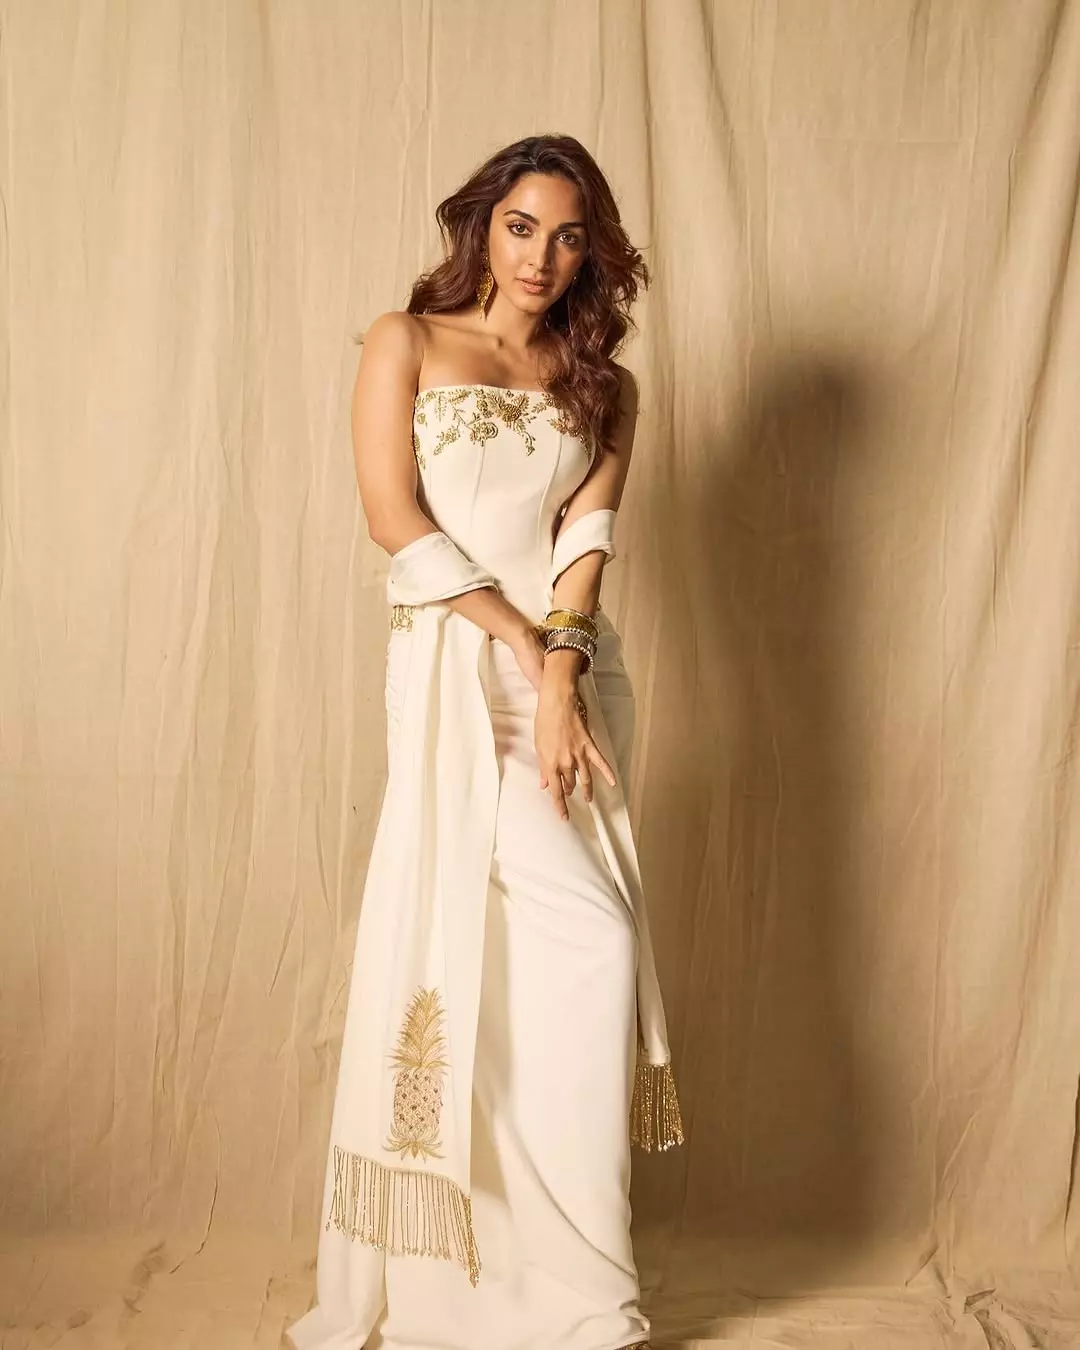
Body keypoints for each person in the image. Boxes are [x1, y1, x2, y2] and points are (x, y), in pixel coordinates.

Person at [287, 133, 683, 1350]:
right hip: (455, 667)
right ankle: (504, 1280)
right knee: (540, 939)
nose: (540, 258)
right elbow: (391, 516)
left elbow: (584, 546)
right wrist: (516, 642)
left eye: (568, 237)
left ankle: (551, 1279)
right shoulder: (403, 342)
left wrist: (561, 674)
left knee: (558, 959)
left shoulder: (605, 385)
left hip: (566, 674)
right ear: (481, 225)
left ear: (592, 254)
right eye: (520, 227)